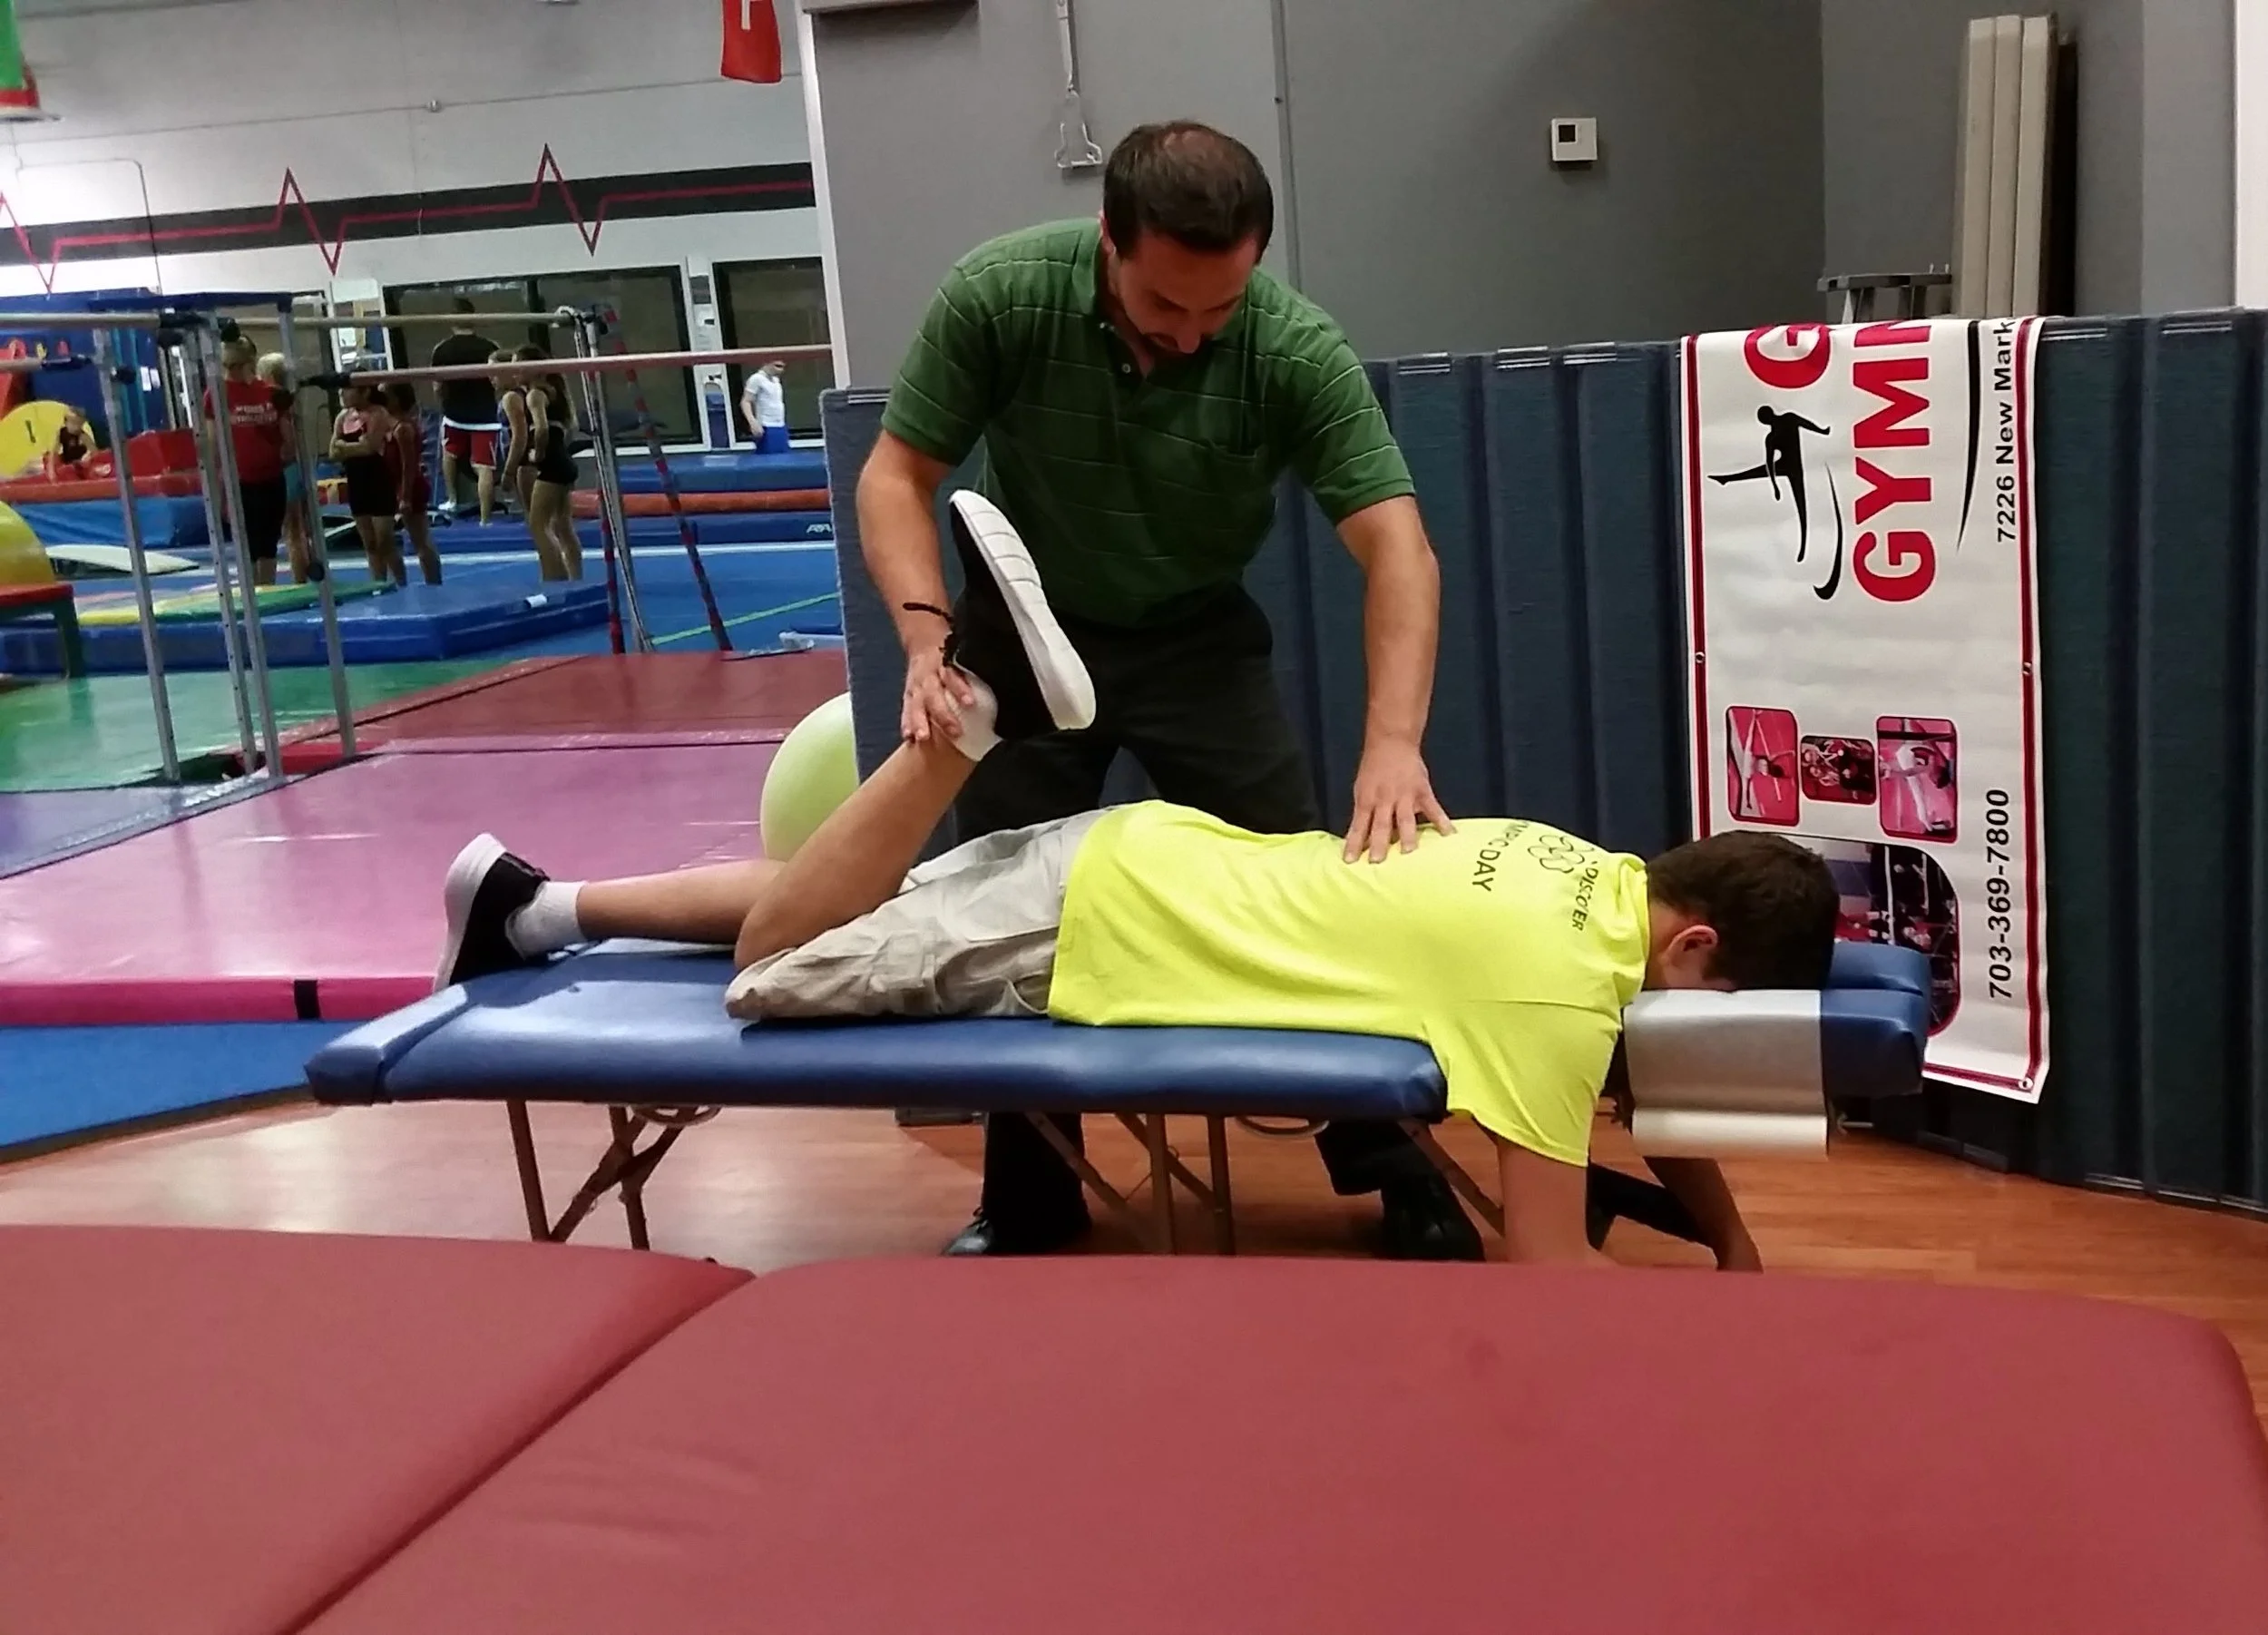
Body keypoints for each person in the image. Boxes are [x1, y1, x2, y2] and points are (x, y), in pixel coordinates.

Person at [435, 494, 1839, 1268]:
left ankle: (531, 905)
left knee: (844, 899)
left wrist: (1732, 1244)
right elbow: (1550, 1273)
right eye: (1719, 1004)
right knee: (771, 970)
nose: (1697, 1027)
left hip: (1139, 853)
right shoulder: (1559, 992)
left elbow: (1659, 1081)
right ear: (1693, 943)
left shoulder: (1581, 868)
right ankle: (972, 717)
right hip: (1086, 932)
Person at [853, 121, 1466, 1259]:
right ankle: (1031, 1193)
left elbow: (1401, 552)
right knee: (1005, 918)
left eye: (1217, 313)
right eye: (1162, 309)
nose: (1189, 336)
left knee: (1309, 903)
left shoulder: (1292, 348)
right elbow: (896, 474)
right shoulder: (1002, 293)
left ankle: (1392, 1168)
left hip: (1195, 645)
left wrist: (1394, 743)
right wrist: (925, 636)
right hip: (1024, 634)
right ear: (1107, 242)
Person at [204, 333, 295, 588]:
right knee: (249, 544)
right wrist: (216, 485)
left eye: (236, 365)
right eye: (228, 366)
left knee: (267, 544)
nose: (232, 370)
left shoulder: (271, 393)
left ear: (250, 360)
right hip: (240, 481)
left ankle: (265, 591)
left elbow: (289, 440)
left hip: (271, 477)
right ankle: (254, 595)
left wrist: (286, 447)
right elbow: (212, 443)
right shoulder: (217, 394)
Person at [511, 346, 583, 582]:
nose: (512, 371)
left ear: (534, 369)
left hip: (552, 465)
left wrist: (538, 453)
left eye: (516, 365)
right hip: (563, 463)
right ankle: (575, 578)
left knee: (538, 525)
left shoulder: (535, 395)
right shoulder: (555, 392)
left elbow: (541, 429)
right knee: (563, 525)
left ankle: (555, 579)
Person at [432, 298, 503, 524]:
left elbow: (437, 386)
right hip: (484, 415)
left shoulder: (442, 350)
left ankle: (452, 498)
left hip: (456, 414)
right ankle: (485, 519)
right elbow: (499, 382)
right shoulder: (490, 347)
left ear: (452, 320)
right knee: (484, 468)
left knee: (450, 455)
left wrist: (444, 404)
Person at [331, 385, 403, 585]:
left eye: (346, 390)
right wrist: (354, 447)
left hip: (379, 480)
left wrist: (344, 447)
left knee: (384, 542)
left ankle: (400, 581)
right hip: (357, 482)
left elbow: (371, 447)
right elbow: (332, 452)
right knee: (370, 544)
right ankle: (378, 584)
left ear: (365, 392)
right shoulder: (342, 417)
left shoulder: (378, 414)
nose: (341, 393)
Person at [256, 353, 314, 585]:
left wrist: (275, 458)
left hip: (285, 469)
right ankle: (307, 577)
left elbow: (288, 443)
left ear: (268, 377)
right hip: (295, 468)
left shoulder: (277, 402)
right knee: (300, 530)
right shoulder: (290, 401)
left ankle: (300, 581)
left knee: (293, 532)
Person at [382, 382, 443, 586]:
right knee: (410, 539)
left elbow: (409, 465)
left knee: (420, 539)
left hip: (411, 485)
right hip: (399, 485)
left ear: (397, 400)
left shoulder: (404, 428)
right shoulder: (390, 424)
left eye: (385, 396)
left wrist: (405, 496)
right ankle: (402, 581)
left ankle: (434, 582)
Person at [741, 359, 789, 454]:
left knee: (783, 458)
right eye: (777, 366)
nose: (781, 370)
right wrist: (753, 422)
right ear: (767, 363)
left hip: (780, 425)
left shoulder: (776, 380)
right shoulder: (756, 379)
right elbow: (746, 401)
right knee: (768, 459)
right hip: (766, 426)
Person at [44, 406, 92, 478]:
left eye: (79, 424)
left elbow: (95, 452)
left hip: (77, 466)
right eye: (73, 423)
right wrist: (51, 470)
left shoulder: (83, 436)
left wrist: (88, 455)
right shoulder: (61, 433)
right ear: (66, 422)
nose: (76, 427)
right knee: (44, 460)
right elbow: (53, 452)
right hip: (65, 462)